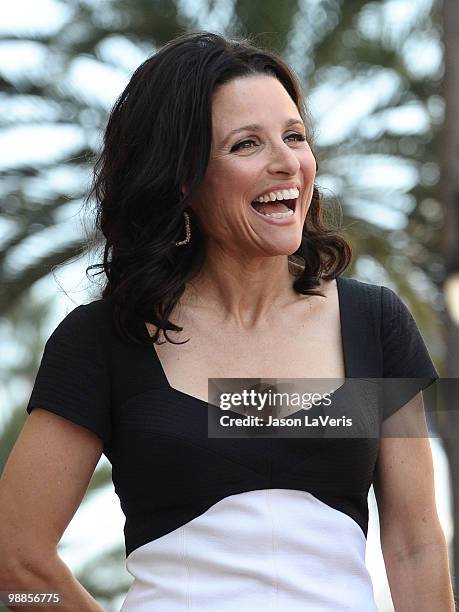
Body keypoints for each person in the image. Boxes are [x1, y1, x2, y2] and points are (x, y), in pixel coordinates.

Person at [0, 30, 454, 612]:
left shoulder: (375, 324)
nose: (287, 162)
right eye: (247, 145)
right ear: (181, 177)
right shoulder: (103, 341)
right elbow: (14, 562)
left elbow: (416, 546)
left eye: (295, 137)